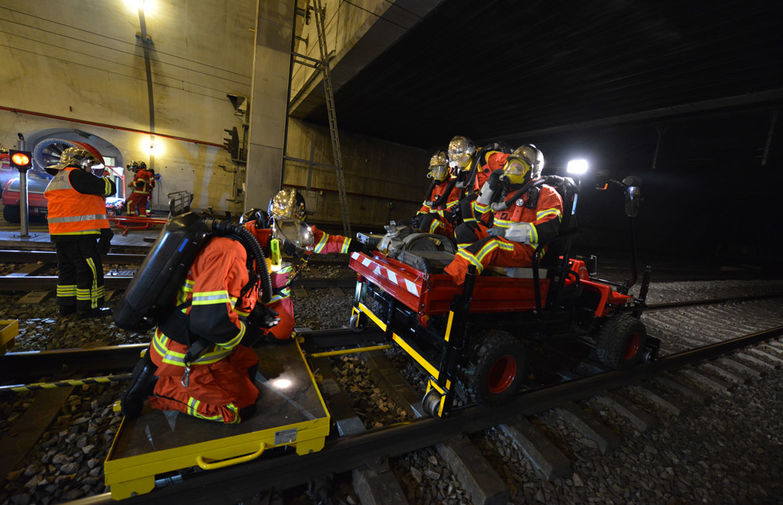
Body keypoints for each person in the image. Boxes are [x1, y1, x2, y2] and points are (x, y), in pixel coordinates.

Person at [121, 224, 280, 423]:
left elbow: (224, 296)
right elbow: (210, 322)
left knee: (250, 364)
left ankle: (172, 379)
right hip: (186, 352)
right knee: (239, 409)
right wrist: (246, 333)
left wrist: (257, 312)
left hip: (204, 343)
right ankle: (162, 388)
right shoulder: (229, 251)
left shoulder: (243, 248)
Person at [241, 188, 365, 341]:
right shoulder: (255, 233)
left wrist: (355, 245)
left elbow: (329, 242)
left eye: (292, 227)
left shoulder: (304, 237)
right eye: (283, 226)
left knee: (281, 335)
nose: (287, 233)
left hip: (279, 298)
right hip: (252, 296)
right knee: (242, 333)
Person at [443, 144, 563, 285]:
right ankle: (470, 275)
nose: (510, 171)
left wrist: (508, 233)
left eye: (517, 168)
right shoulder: (505, 191)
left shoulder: (546, 193)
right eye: (509, 166)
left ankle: (451, 280)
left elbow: (548, 229)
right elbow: (480, 216)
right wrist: (489, 187)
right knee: (465, 229)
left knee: (490, 245)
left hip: (525, 248)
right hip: (500, 238)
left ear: (531, 171)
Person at [44, 145, 116, 317]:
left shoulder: (59, 178)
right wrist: (101, 176)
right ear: (82, 162)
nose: (91, 168)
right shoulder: (77, 176)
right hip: (80, 234)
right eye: (90, 164)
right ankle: (89, 308)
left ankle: (67, 306)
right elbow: (109, 189)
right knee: (89, 270)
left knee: (67, 270)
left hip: (61, 233)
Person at [413, 151, 463, 236]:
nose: (436, 173)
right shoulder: (433, 188)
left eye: (439, 169)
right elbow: (426, 207)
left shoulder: (454, 187)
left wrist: (431, 216)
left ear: (447, 169)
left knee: (428, 220)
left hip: (448, 226)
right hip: (432, 221)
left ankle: (423, 244)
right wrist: (419, 216)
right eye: (434, 169)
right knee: (411, 222)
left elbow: (451, 212)